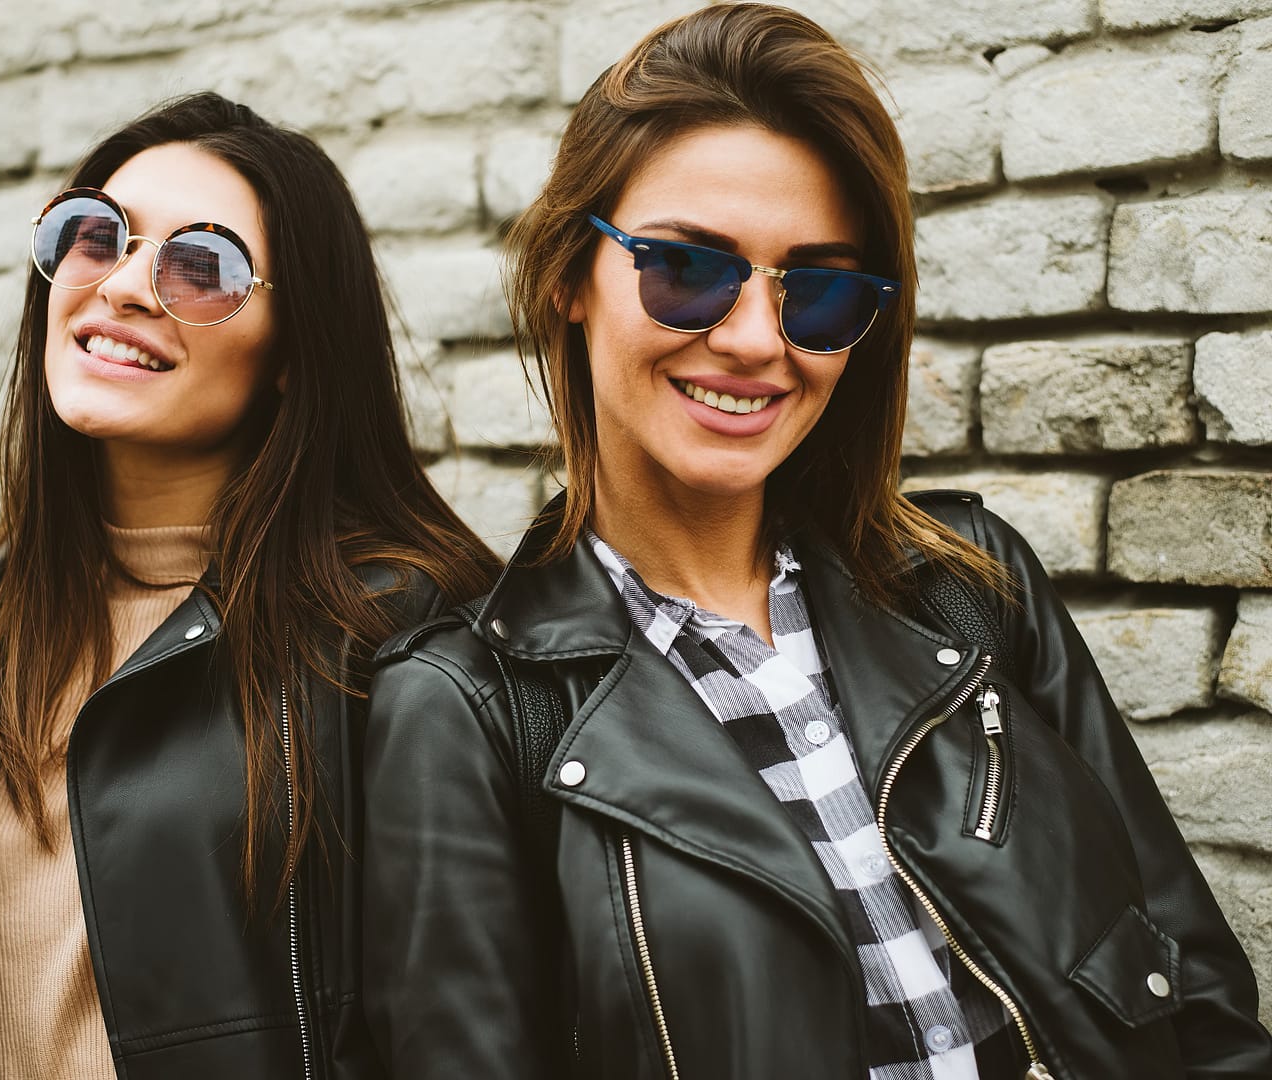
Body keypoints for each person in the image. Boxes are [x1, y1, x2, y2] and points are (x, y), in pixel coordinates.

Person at [360, 6, 1272, 1079]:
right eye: (686, 270)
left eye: (822, 291)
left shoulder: (966, 588)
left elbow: (1199, 1004)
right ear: (570, 276)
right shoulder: (465, 710)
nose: (754, 341)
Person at [0, 92, 499, 1080]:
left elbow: (461, 1035)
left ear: (296, 351)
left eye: (200, 266)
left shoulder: (397, 634)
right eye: (95, 237)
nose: (124, 286)